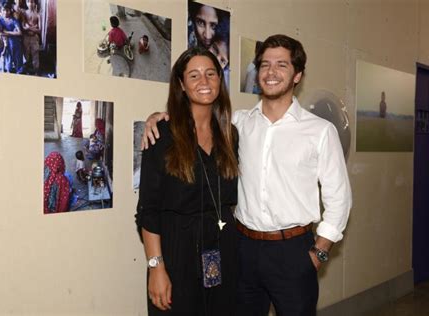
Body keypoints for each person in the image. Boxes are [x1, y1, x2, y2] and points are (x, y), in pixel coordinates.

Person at [142, 34, 352, 315]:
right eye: (265, 64)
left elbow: (340, 199)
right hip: (241, 249)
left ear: (298, 74)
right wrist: (158, 116)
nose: (271, 72)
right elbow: (189, 123)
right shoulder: (237, 125)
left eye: (282, 65)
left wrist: (319, 252)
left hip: (292, 251)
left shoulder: (320, 131)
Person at [136, 47, 239, 315]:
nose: (204, 82)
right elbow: (148, 211)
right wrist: (156, 267)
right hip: (176, 255)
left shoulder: (231, 135)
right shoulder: (162, 135)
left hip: (223, 250)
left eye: (210, 74)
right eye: (193, 76)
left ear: (219, 80)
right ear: (181, 84)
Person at [0, 3, 23, 73]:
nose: (6, 12)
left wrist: (7, 33)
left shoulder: (13, 20)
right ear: (1, 11)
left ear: (10, 10)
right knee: (8, 65)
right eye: (4, 10)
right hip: (6, 45)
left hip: (15, 43)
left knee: (18, 62)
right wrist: (12, 32)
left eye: (7, 10)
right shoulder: (0, 20)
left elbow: (19, 32)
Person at [21, 0, 40, 75]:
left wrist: (29, 27)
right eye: (28, 2)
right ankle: (27, 69)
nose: (30, 4)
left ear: (34, 3)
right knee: (26, 54)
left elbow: (39, 30)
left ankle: (36, 70)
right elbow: (23, 27)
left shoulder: (38, 14)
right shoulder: (24, 13)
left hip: (34, 37)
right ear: (26, 3)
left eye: (32, 2)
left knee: (35, 54)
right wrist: (33, 27)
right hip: (26, 37)